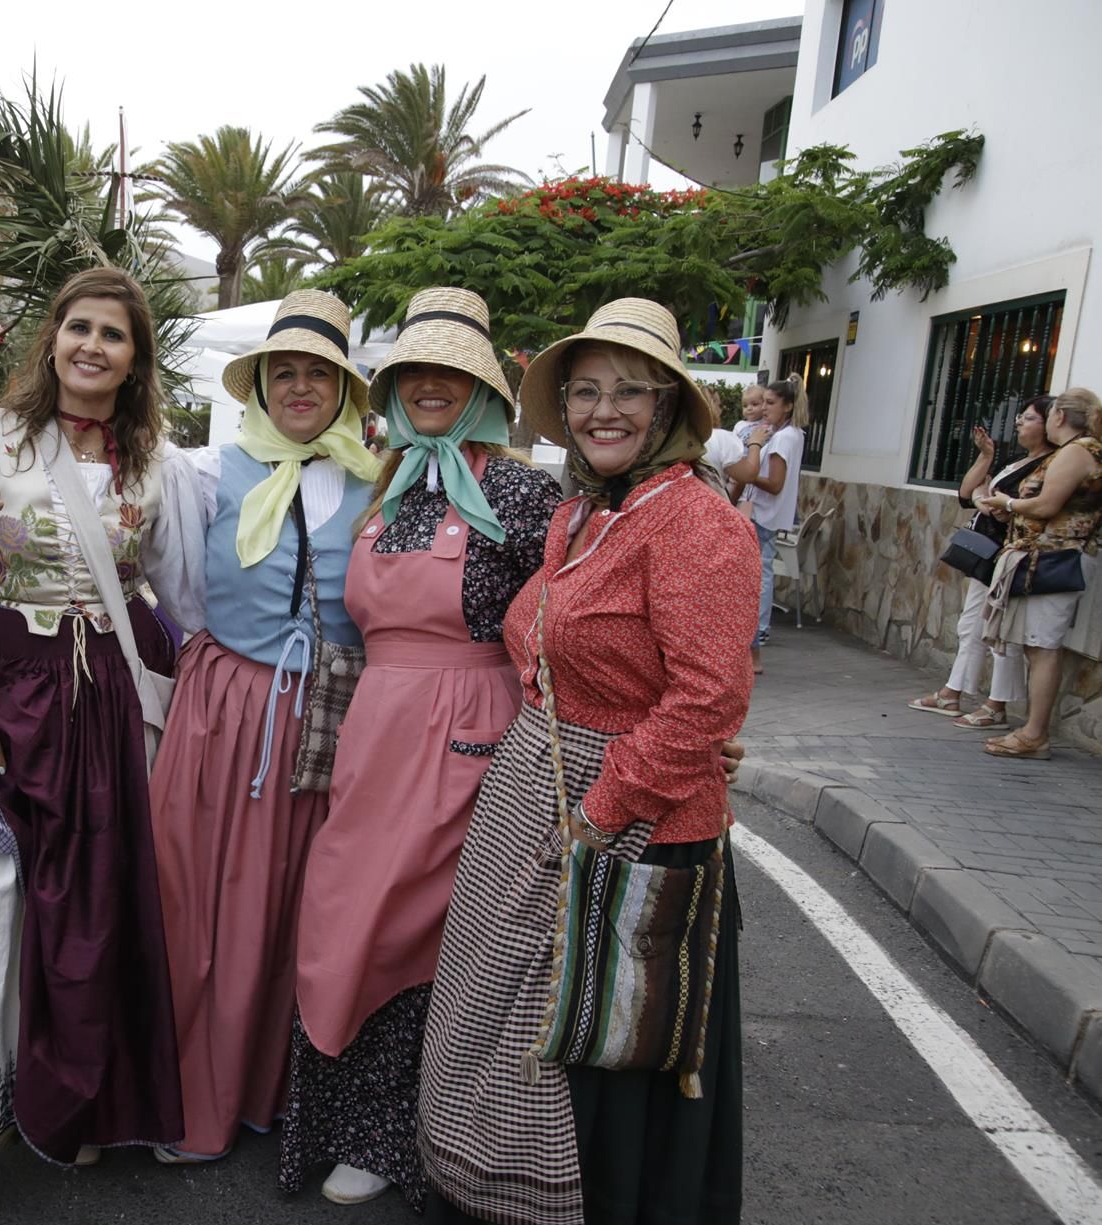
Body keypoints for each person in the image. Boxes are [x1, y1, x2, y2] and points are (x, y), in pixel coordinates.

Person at [420, 297, 758, 1225]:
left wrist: (601, 811)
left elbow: (705, 700)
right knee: (525, 1011)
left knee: (607, 1031)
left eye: (627, 391)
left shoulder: (697, 522)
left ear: (668, 407)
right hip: (544, 791)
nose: (602, 410)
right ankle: (513, 1188)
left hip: (631, 818)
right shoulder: (581, 513)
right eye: (583, 392)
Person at [0, 267, 205, 1225]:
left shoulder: (160, 464)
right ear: (51, 338)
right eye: (79, 327)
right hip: (4, 691)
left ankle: (82, 1091)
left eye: (113, 333)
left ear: (135, 357)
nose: (92, 346)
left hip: (112, 700)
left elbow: (180, 597)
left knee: (97, 908)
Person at [279, 288, 561, 1210]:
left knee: (436, 931)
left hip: (474, 727)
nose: (430, 386)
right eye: (414, 373)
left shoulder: (521, 491)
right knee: (344, 917)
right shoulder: (384, 483)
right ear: (394, 389)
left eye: (451, 372)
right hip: (376, 731)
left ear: (480, 388)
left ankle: (415, 1135)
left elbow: (564, 622)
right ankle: (353, 1119)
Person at [148, 291, 380, 1165]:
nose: (298, 387)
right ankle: (194, 1097)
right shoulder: (207, 471)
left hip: (330, 718)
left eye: (317, 373)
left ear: (343, 389)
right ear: (259, 386)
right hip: (228, 709)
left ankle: (279, 1096)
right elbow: (178, 592)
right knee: (202, 908)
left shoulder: (375, 482)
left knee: (299, 910)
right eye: (284, 372)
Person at [908, 396, 1055, 729]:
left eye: (1029, 418)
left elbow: (1009, 504)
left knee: (999, 630)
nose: (1019, 422)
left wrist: (991, 500)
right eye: (1021, 416)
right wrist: (986, 457)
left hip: (1012, 556)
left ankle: (995, 705)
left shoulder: (1048, 466)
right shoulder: (1019, 461)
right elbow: (969, 492)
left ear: (1049, 425)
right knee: (971, 624)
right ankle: (952, 692)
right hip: (990, 553)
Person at [975, 388, 1102, 759]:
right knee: (1037, 644)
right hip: (1047, 557)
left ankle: (1035, 734)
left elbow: (1047, 505)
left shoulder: (1079, 452)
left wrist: (1008, 503)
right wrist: (1011, 511)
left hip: (1056, 558)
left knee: (1043, 646)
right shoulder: (1076, 451)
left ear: (1059, 416)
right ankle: (1032, 730)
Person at [729, 373, 806, 672]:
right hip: (766, 514)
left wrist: (745, 472)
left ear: (786, 406)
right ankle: (755, 639)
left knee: (756, 577)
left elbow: (775, 483)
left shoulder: (783, 438)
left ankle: (755, 638)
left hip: (762, 513)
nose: (764, 409)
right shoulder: (792, 434)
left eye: (770, 403)